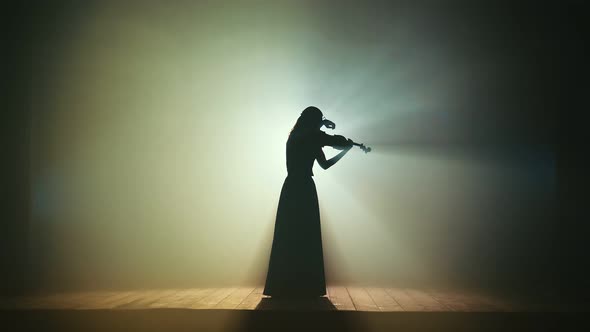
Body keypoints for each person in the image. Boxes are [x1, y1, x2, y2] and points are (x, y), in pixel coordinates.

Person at [263, 106, 354, 298]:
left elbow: (322, 146)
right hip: (304, 187)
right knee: (306, 233)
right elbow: (327, 161)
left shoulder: (295, 136)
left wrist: (322, 125)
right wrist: (346, 149)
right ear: (314, 121)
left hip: (290, 187)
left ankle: (282, 285)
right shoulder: (312, 136)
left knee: (288, 234)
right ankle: (307, 286)